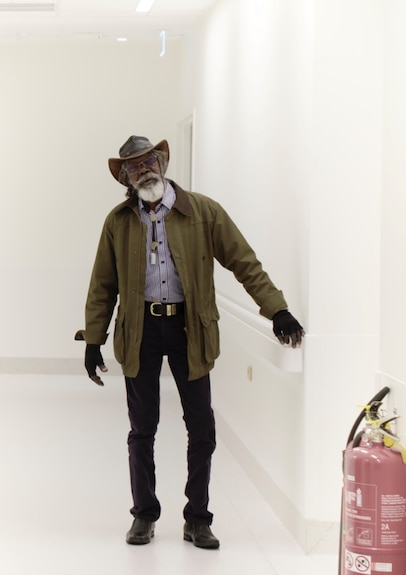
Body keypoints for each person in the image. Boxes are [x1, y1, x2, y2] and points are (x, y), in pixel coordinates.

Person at [77, 135, 304, 550]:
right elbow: (102, 285)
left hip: (190, 330)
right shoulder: (118, 221)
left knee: (202, 428)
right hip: (139, 331)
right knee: (142, 430)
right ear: (124, 177)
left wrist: (277, 309)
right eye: (134, 166)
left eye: (149, 161)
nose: (144, 170)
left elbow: (244, 262)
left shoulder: (203, 211)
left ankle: (198, 518)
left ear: (162, 162)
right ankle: (143, 515)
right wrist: (94, 339)